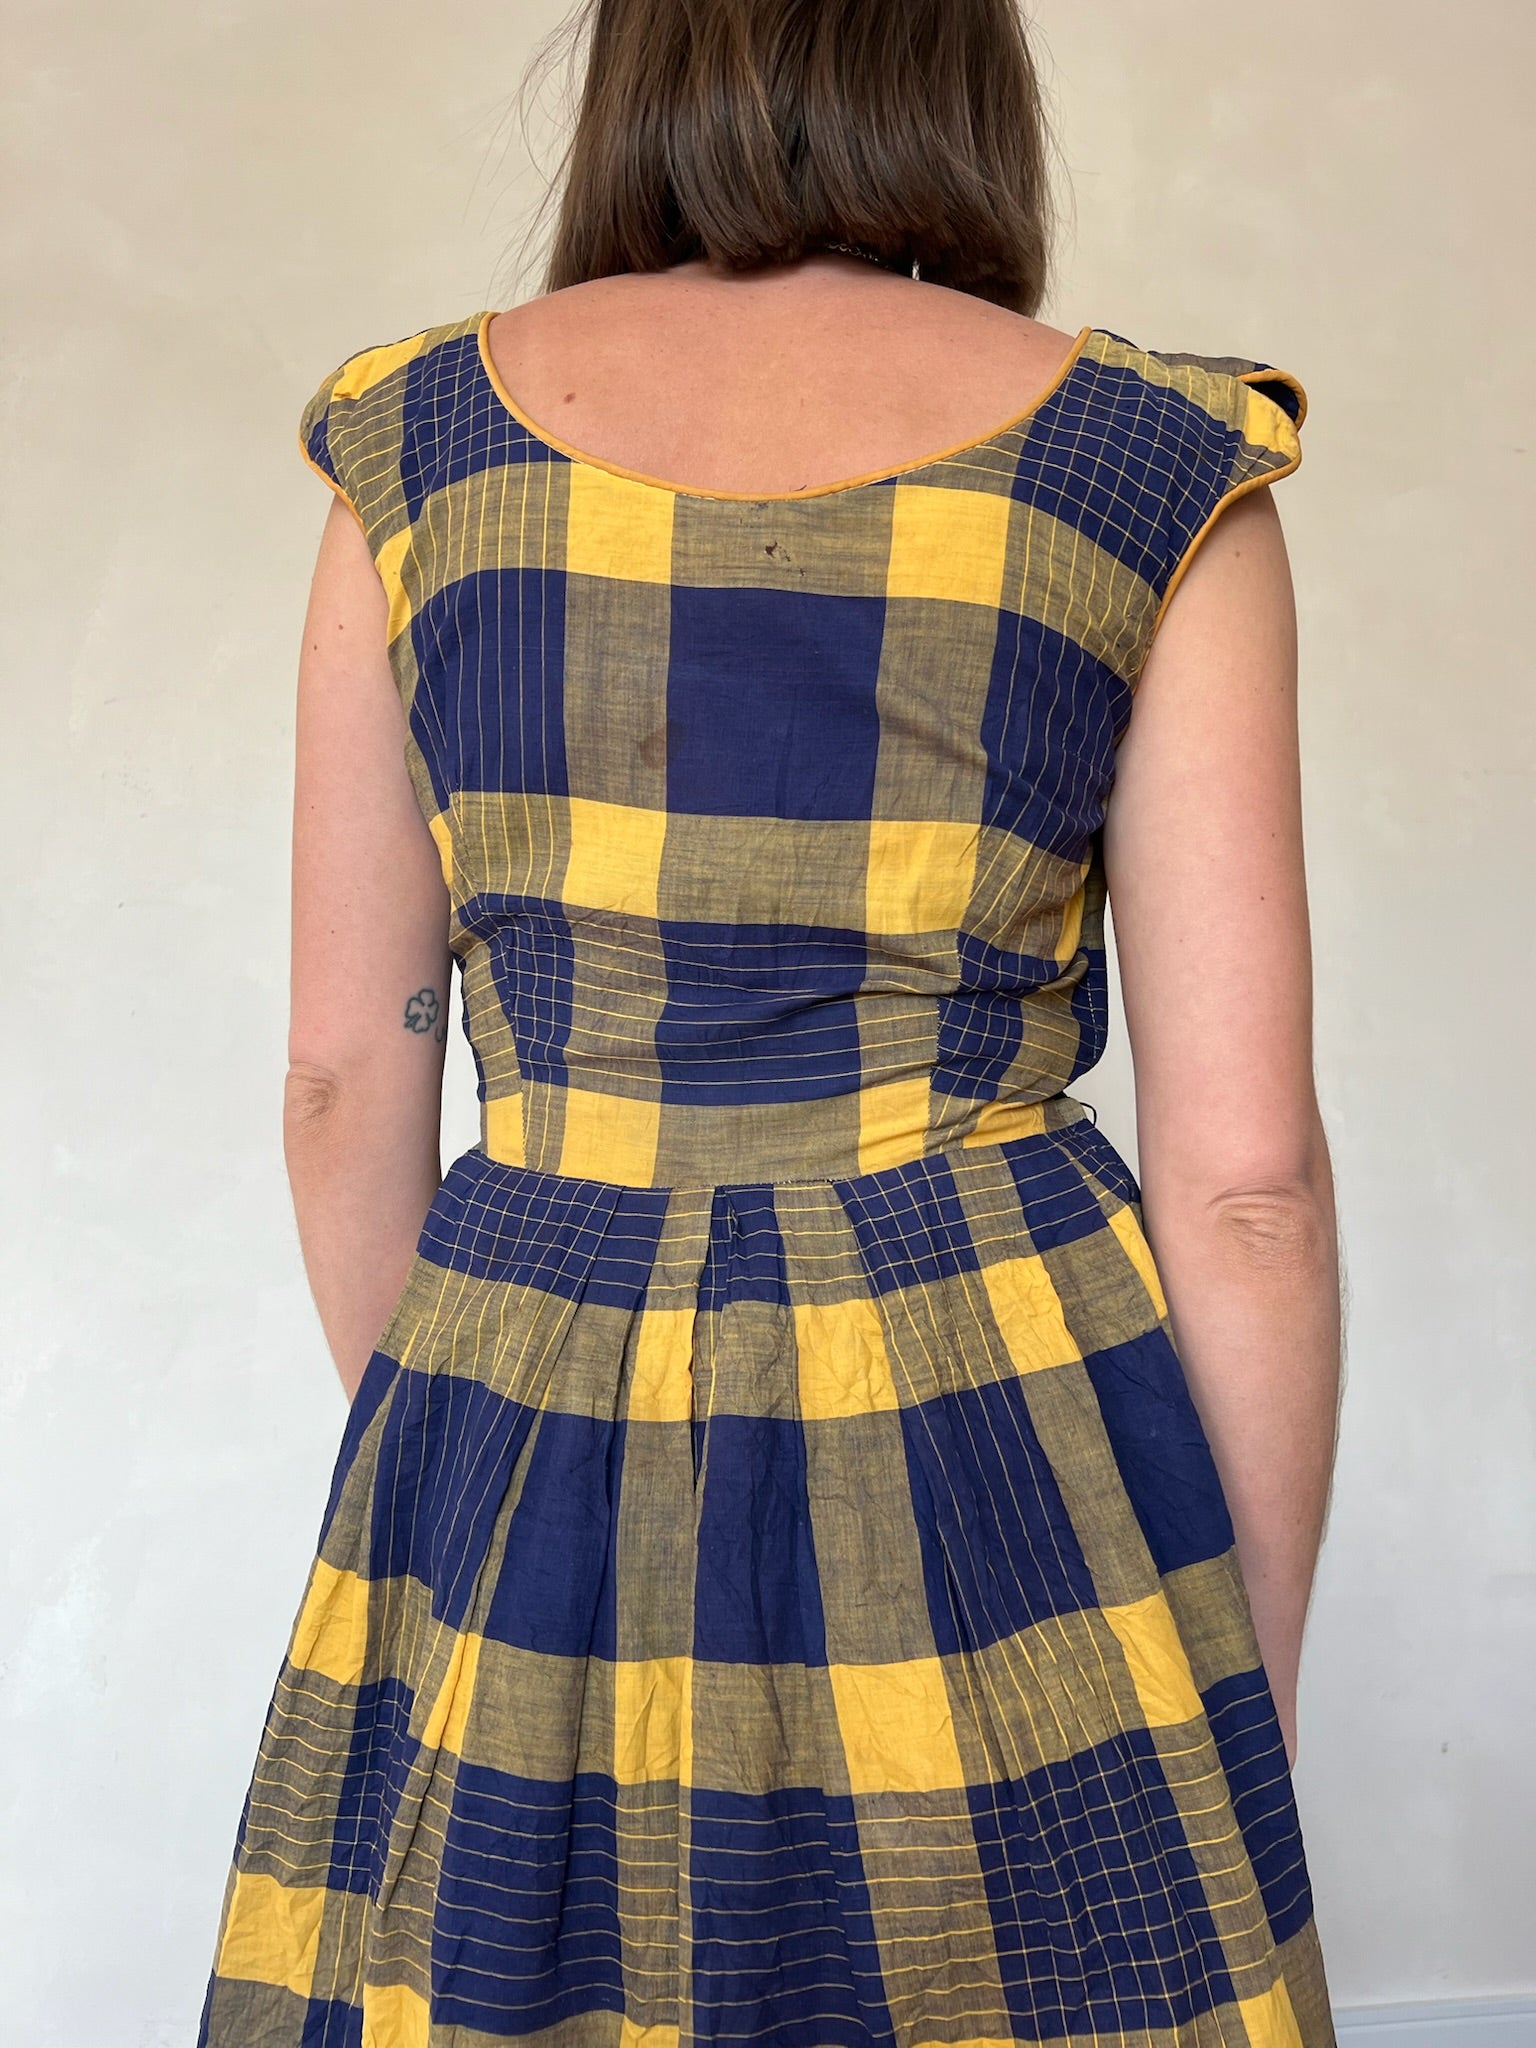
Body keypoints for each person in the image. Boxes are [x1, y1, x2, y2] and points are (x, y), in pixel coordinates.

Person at [197, 0, 1342, 2041]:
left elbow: (339, 1081)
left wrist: (474, 1464)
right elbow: (1248, 1185)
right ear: (961, 69)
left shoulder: (414, 446)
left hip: (533, 1344)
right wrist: (1225, 1665)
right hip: (1005, 1386)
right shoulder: (1151, 464)